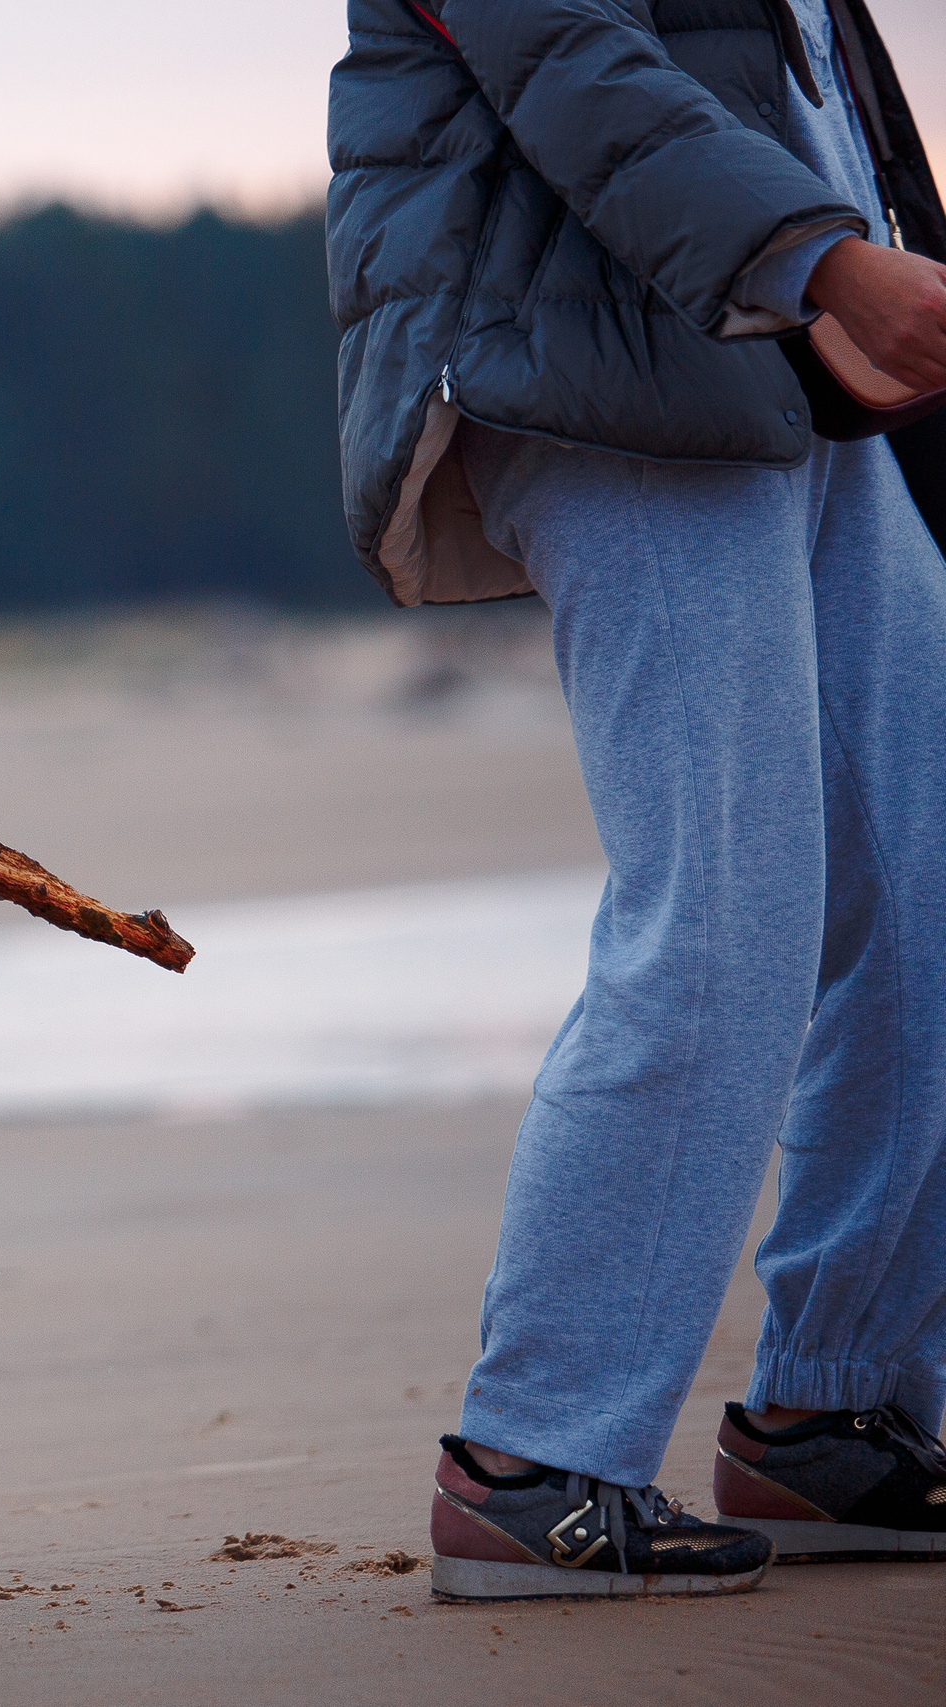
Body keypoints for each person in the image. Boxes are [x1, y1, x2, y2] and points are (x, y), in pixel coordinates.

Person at [328, 0, 946, 1600]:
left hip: (799, 381)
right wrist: (828, 261)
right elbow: (571, 63)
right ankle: (538, 1456)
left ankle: (838, 1402)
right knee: (725, 913)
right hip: (601, 365)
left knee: (931, 882)